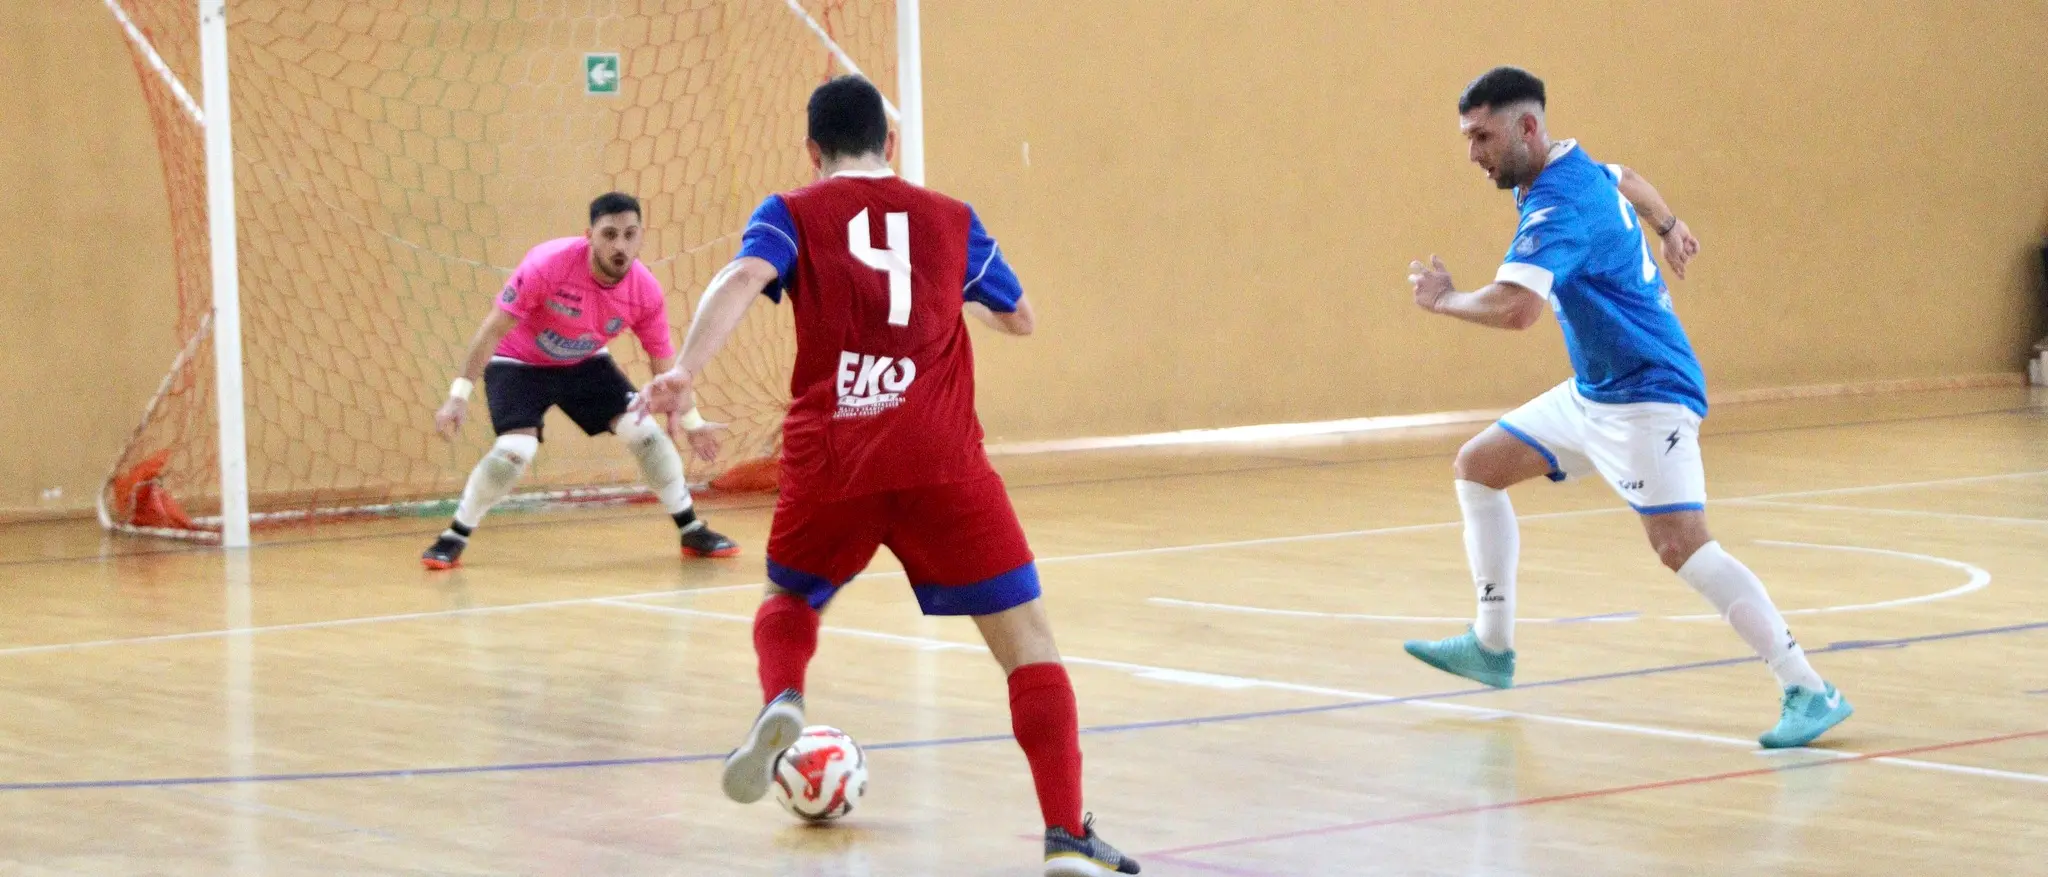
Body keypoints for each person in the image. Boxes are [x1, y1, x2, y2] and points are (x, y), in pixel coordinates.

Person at [632, 76, 1139, 876]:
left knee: (789, 597)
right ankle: (1066, 832)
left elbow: (742, 279)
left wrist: (684, 370)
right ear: (890, 142)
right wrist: (963, 300)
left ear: (813, 150)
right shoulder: (952, 218)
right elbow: (1020, 317)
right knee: (1028, 644)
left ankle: (783, 697)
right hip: (941, 460)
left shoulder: (791, 212)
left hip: (834, 454)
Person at [1400, 66, 1853, 749]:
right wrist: (1669, 225)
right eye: (1467, 137)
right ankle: (1492, 646)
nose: (1472, 153)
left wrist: (1444, 300)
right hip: (1595, 392)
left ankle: (1809, 688)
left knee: (1682, 547)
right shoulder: (1572, 167)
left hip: (1648, 397)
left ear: (1528, 128)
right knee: (1478, 466)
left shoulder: (1559, 205)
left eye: (1482, 137)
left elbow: (1517, 308)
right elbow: (1629, 177)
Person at [422, 192, 739, 569]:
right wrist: (458, 395)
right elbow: (491, 330)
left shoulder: (645, 292)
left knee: (647, 435)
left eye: (630, 234)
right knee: (514, 453)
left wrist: (693, 422)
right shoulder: (548, 264)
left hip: (585, 363)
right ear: (589, 236)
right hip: (517, 362)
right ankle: (454, 535)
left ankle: (691, 529)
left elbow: (668, 371)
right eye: (609, 234)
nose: (620, 246)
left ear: (641, 236)